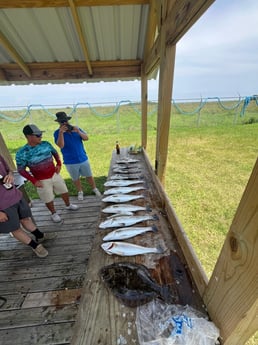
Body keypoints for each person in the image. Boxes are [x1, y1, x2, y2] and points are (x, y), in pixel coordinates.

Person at [16, 124, 79, 223]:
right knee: (47, 197)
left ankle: (68, 205)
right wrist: (34, 180)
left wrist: (58, 164)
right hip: (41, 180)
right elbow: (21, 170)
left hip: (54, 174)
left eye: (40, 134)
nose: (41, 136)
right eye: (38, 135)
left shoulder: (46, 144)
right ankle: (53, 213)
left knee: (64, 191)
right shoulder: (22, 152)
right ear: (28, 136)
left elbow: (55, 153)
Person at [0, 154, 50, 257]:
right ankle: (35, 246)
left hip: (15, 196)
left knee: (25, 219)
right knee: (15, 229)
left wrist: (10, 175)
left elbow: (8, 170)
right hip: (3, 207)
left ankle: (40, 236)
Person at [53, 111, 101, 200]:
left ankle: (94, 189)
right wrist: (61, 133)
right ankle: (80, 191)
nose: (64, 123)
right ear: (59, 122)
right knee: (75, 178)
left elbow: (86, 138)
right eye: (62, 122)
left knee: (89, 175)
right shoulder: (57, 133)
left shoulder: (76, 129)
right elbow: (61, 145)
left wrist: (78, 131)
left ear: (68, 120)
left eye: (65, 121)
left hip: (83, 158)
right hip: (70, 161)